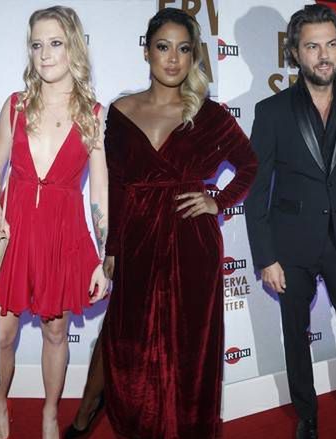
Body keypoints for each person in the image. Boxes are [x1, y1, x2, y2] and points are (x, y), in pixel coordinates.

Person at [98, 8, 257, 439]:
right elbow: (115, 185)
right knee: (130, 342)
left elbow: (249, 164)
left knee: (190, 345)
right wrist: (112, 248)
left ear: (193, 57)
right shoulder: (120, 111)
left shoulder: (209, 114)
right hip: (136, 239)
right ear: (147, 51)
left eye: (183, 49)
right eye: (163, 47)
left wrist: (217, 201)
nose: (172, 59)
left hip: (192, 242)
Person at [244, 4, 336, 439]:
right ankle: (306, 414)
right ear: (294, 52)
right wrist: (266, 257)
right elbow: (256, 191)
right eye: (312, 47)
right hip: (291, 246)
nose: (324, 55)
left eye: (331, 45)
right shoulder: (271, 112)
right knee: (295, 332)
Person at [0, 6, 109, 439]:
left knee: (56, 333)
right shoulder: (16, 107)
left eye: (55, 43)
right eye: (37, 45)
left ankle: (50, 412)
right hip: (14, 232)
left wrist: (103, 257)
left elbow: (99, 192)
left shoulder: (92, 114)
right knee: (2, 335)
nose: (45, 54)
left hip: (61, 235)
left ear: (73, 47)